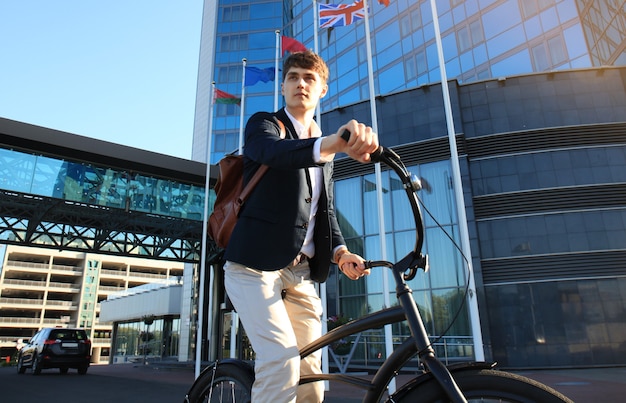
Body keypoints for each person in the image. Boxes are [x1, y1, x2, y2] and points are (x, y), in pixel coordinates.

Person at [223, 50, 379, 403]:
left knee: (311, 372)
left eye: (309, 78)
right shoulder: (265, 125)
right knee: (280, 361)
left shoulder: (324, 151)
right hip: (253, 267)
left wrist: (340, 253)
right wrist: (333, 144)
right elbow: (276, 153)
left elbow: (325, 213)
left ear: (322, 89)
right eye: (293, 77)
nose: (300, 84)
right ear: (282, 86)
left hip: (301, 273)